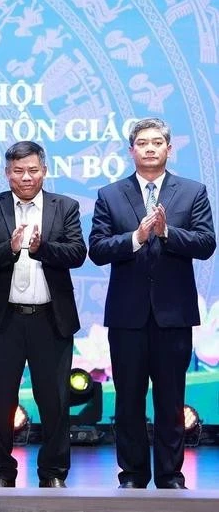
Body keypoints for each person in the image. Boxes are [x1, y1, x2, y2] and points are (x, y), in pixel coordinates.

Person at [89, 118, 215, 489]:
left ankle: (170, 474)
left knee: (170, 401)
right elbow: (97, 249)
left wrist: (166, 232)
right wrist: (136, 237)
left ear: (168, 148)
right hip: (127, 317)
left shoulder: (192, 191)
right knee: (128, 400)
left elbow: (206, 243)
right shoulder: (110, 194)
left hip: (173, 315)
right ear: (131, 150)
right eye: (141, 143)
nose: (149, 148)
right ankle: (131, 474)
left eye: (156, 142)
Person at [0, 141, 86, 488]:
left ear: (44, 171)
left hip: (50, 319)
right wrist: (9, 248)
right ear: (7, 173)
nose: (26, 177)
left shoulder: (63, 206)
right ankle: (0, 471)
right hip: (3, 320)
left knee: (54, 400)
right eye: (18, 171)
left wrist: (40, 249)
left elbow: (77, 252)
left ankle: (53, 471)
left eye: (33, 170)